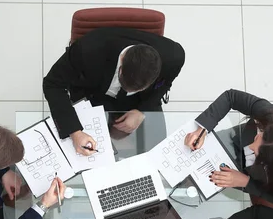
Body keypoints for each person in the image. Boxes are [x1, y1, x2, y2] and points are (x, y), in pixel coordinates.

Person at [43, 27, 185, 156]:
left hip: (140, 101)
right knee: (85, 152)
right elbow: (52, 84)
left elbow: (166, 83)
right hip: (94, 92)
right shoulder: (87, 50)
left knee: (157, 154)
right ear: (122, 61)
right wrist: (74, 132)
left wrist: (142, 110)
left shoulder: (173, 57)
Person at [183, 89, 273, 205]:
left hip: (243, 173)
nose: (250, 147)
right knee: (186, 153)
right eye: (258, 137)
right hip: (235, 139)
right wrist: (203, 129)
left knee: (191, 190)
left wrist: (246, 182)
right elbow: (231, 96)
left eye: (256, 153)